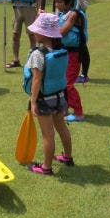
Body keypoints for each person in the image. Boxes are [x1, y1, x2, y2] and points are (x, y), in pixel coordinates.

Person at [25, 13, 73, 175]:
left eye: (36, 30)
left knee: (48, 135)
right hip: (60, 96)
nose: (33, 33)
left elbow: (36, 80)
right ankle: (67, 156)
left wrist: (33, 102)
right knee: (61, 127)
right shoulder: (61, 51)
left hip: (44, 100)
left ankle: (46, 167)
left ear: (43, 34)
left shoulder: (38, 55)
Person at [54, 0, 86, 122]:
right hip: (64, 52)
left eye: (60, 2)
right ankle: (65, 109)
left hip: (74, 54)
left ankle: (79, 113)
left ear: (68, 3)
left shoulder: (74, 15)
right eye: (56, 1)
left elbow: (62, 32)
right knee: (61, 83)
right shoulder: (62, 14)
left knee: (68, 84)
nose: (57, 4)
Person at [60, 0, 91, 84]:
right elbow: (60, 4)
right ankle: (66, 70)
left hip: (79, 20)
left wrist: (81, 0)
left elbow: (85, 7)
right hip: (65, 19)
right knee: (65, 44)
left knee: (82, 45)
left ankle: (84, 74)